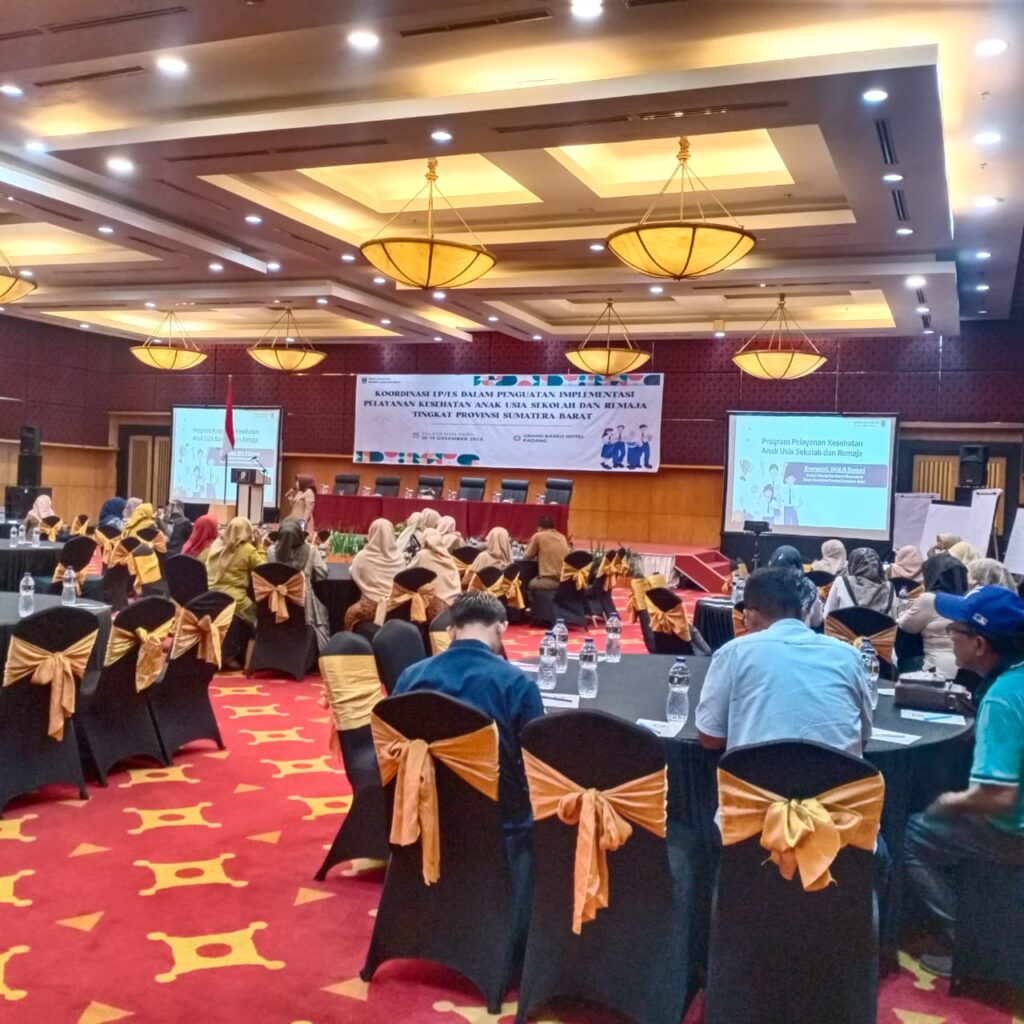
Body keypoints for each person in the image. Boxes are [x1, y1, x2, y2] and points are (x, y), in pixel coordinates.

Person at [904, 586, 1024, 978]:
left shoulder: (1001, 697)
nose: (949, 635)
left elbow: (995, 799)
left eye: (955, 629)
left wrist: (942, 802)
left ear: (980, 644)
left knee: (910, 834)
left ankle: (970, 945)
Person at [392, 592, 544, 835]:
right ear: (501, 627)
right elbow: (537, 758)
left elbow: (392, 744)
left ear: (451, 630)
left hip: (427, 805)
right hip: (500, 817)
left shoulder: (411, 676)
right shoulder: (518, 683)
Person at [695, 567, 871, 755]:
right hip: (840, 773)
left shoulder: (732, 653)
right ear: (803, 612)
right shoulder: (849, 656)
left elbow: (710, 738)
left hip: (755, 773)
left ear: (750, 616)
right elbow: (862, 737)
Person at [897, 552, 969, 679]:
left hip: (935, 670)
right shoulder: (970, 600)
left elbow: (905, 625)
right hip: (968, 671)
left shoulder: (930, 599)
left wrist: (904, 611)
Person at [267, 516, 330, 651]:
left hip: (277, 602)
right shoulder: (311, 551)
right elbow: (322, 574)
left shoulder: (271, 551)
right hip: (304, 605)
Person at [206, 516, 266, 626]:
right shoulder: (248, 549)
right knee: (261, 616)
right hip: (236, 601)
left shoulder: (216, 544)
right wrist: (259, 547)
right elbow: (263, 569)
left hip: (211, 597)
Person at [346, 518, 405, 628]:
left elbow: (353, 572)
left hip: (370, 606)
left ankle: (350, 638)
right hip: (396, 606)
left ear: (371, 533)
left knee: (350, 614)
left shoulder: (363, 557)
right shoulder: (399, 557)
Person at [823, 547, 896, 617]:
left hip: (844, 626)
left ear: (852, 565)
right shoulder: (889, 587)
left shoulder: (841, 582)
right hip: (880, 626)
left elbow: (827, 615)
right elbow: (892, 620)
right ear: (879, 566)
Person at [767, 545, 822, 627]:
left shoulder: (762, 585)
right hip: (801, 633)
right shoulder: (808, 586)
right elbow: (816, 622)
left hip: (769, 633)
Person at [409, 528, 462, 607]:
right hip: (455, 602)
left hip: (435, 604)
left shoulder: (423, 555)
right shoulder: (448, 557)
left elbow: (407, 572)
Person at [524, 515, 571, 591]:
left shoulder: (538, 536)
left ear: (539, 528)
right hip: (565, 581)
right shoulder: (562, 537)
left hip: (550, 580)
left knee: (528, 585)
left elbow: (527, 556)